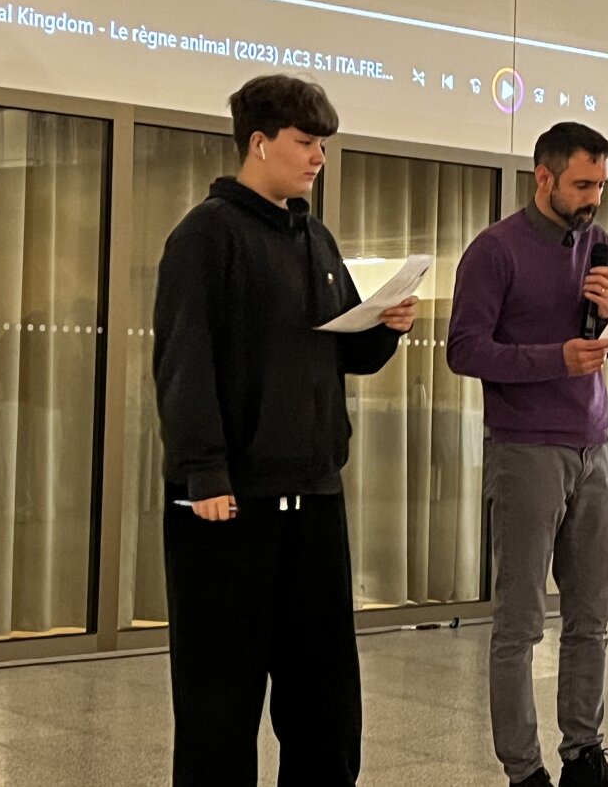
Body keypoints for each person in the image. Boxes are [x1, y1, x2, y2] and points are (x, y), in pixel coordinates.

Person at [153, 74, 416, 787]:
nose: (318, 157)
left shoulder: (315, 238)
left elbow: (344, 353)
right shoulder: (204, 236)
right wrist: (204, 472)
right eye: (305, 142)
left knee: (325, 704)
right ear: (259, 142)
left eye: (323, 144)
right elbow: (184, 361)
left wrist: (387, 326)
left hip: (314, 498)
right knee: (219, 704)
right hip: (228, 505)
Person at [447, 122, 608, 787]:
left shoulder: (598, 244)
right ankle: (524, 771)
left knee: (591, 616)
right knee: (521, 622)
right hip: (525, 448)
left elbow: (592, 339)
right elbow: (464, 349)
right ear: (543, 177)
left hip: (593, 444)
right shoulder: (495, 251)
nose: (594, 199)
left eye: (601, 185)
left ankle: (583, 754)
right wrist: (555, 358)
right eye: (582, 184)